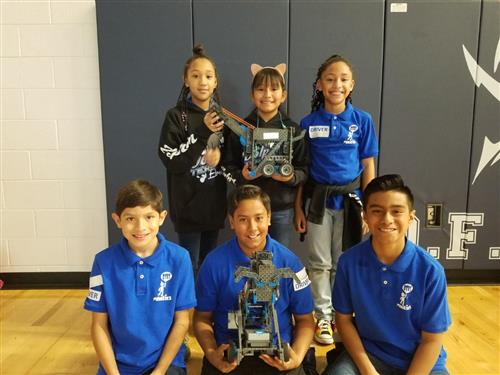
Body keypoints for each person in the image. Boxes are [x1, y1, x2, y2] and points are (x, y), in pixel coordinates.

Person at [323, 174, 451, 375]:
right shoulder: (349, 262)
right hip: (369, 355)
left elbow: (432, 340)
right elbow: (344, 320)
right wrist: (368, 371)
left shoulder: (430, 271)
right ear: (365, 216)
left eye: (396, 211)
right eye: (377, 211)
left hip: (421, 361)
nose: (387, 219)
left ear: (411, 217)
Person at [294, 55, 379, 345]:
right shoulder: (308, 123)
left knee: (344, 262)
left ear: (352, 84)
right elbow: (302, 172)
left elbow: (368, 166)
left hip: (352, 202)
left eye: (343, 79)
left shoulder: (362, 120)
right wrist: (298, 208)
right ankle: (323, 318)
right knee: (319, 262)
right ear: (319, 85)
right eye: (329, 79)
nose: (336, 84)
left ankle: (343, 316)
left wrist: (370, 208)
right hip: (318, 202)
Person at [194, 184, 315, 375]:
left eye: (258, 218)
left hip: (278, 356)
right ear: (231, 221)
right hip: (229, 355)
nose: (252, 228)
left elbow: (306, 321)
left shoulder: (292, 263)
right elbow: (202, 319)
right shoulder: (213, 263)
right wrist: (211, 353)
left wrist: (297, 357)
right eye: (243, 219)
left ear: (269, 218)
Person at [84, 179, 196, 375]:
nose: (140, 227)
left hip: (165, 363)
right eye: (130, 219)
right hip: (118, 365)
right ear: (117, 220)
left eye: (149, 217)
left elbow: (182, 322)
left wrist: (160, 371)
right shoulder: (102, 262)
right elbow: (99, 325)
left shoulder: (180, 259)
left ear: (161, 218)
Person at [158, 44, 228, 274]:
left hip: (214, 206)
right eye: (196, 76)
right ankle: (186, 310)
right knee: (189, 266)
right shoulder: (176, 116)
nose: (203, 82)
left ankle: (205, 310)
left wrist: (221, 158)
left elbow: (231, 159)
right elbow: (171, 159)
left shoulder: (222, 117)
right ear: (186, 80)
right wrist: (202, 133)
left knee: (209, 266)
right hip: (188, 208)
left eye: (208, 76)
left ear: (216, 81)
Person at [222, 63, 308, 248]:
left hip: (281, 209)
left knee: (276, 258)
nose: (267, 95)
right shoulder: (241, 128)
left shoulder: (294, 130)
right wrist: (242, 176)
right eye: (260, 89)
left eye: (274, 89)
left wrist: (290, 177)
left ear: (283, 95)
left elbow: (304, 169)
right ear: (252, 95)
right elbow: (228, 166)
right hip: (247, 208)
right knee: (249, 257)